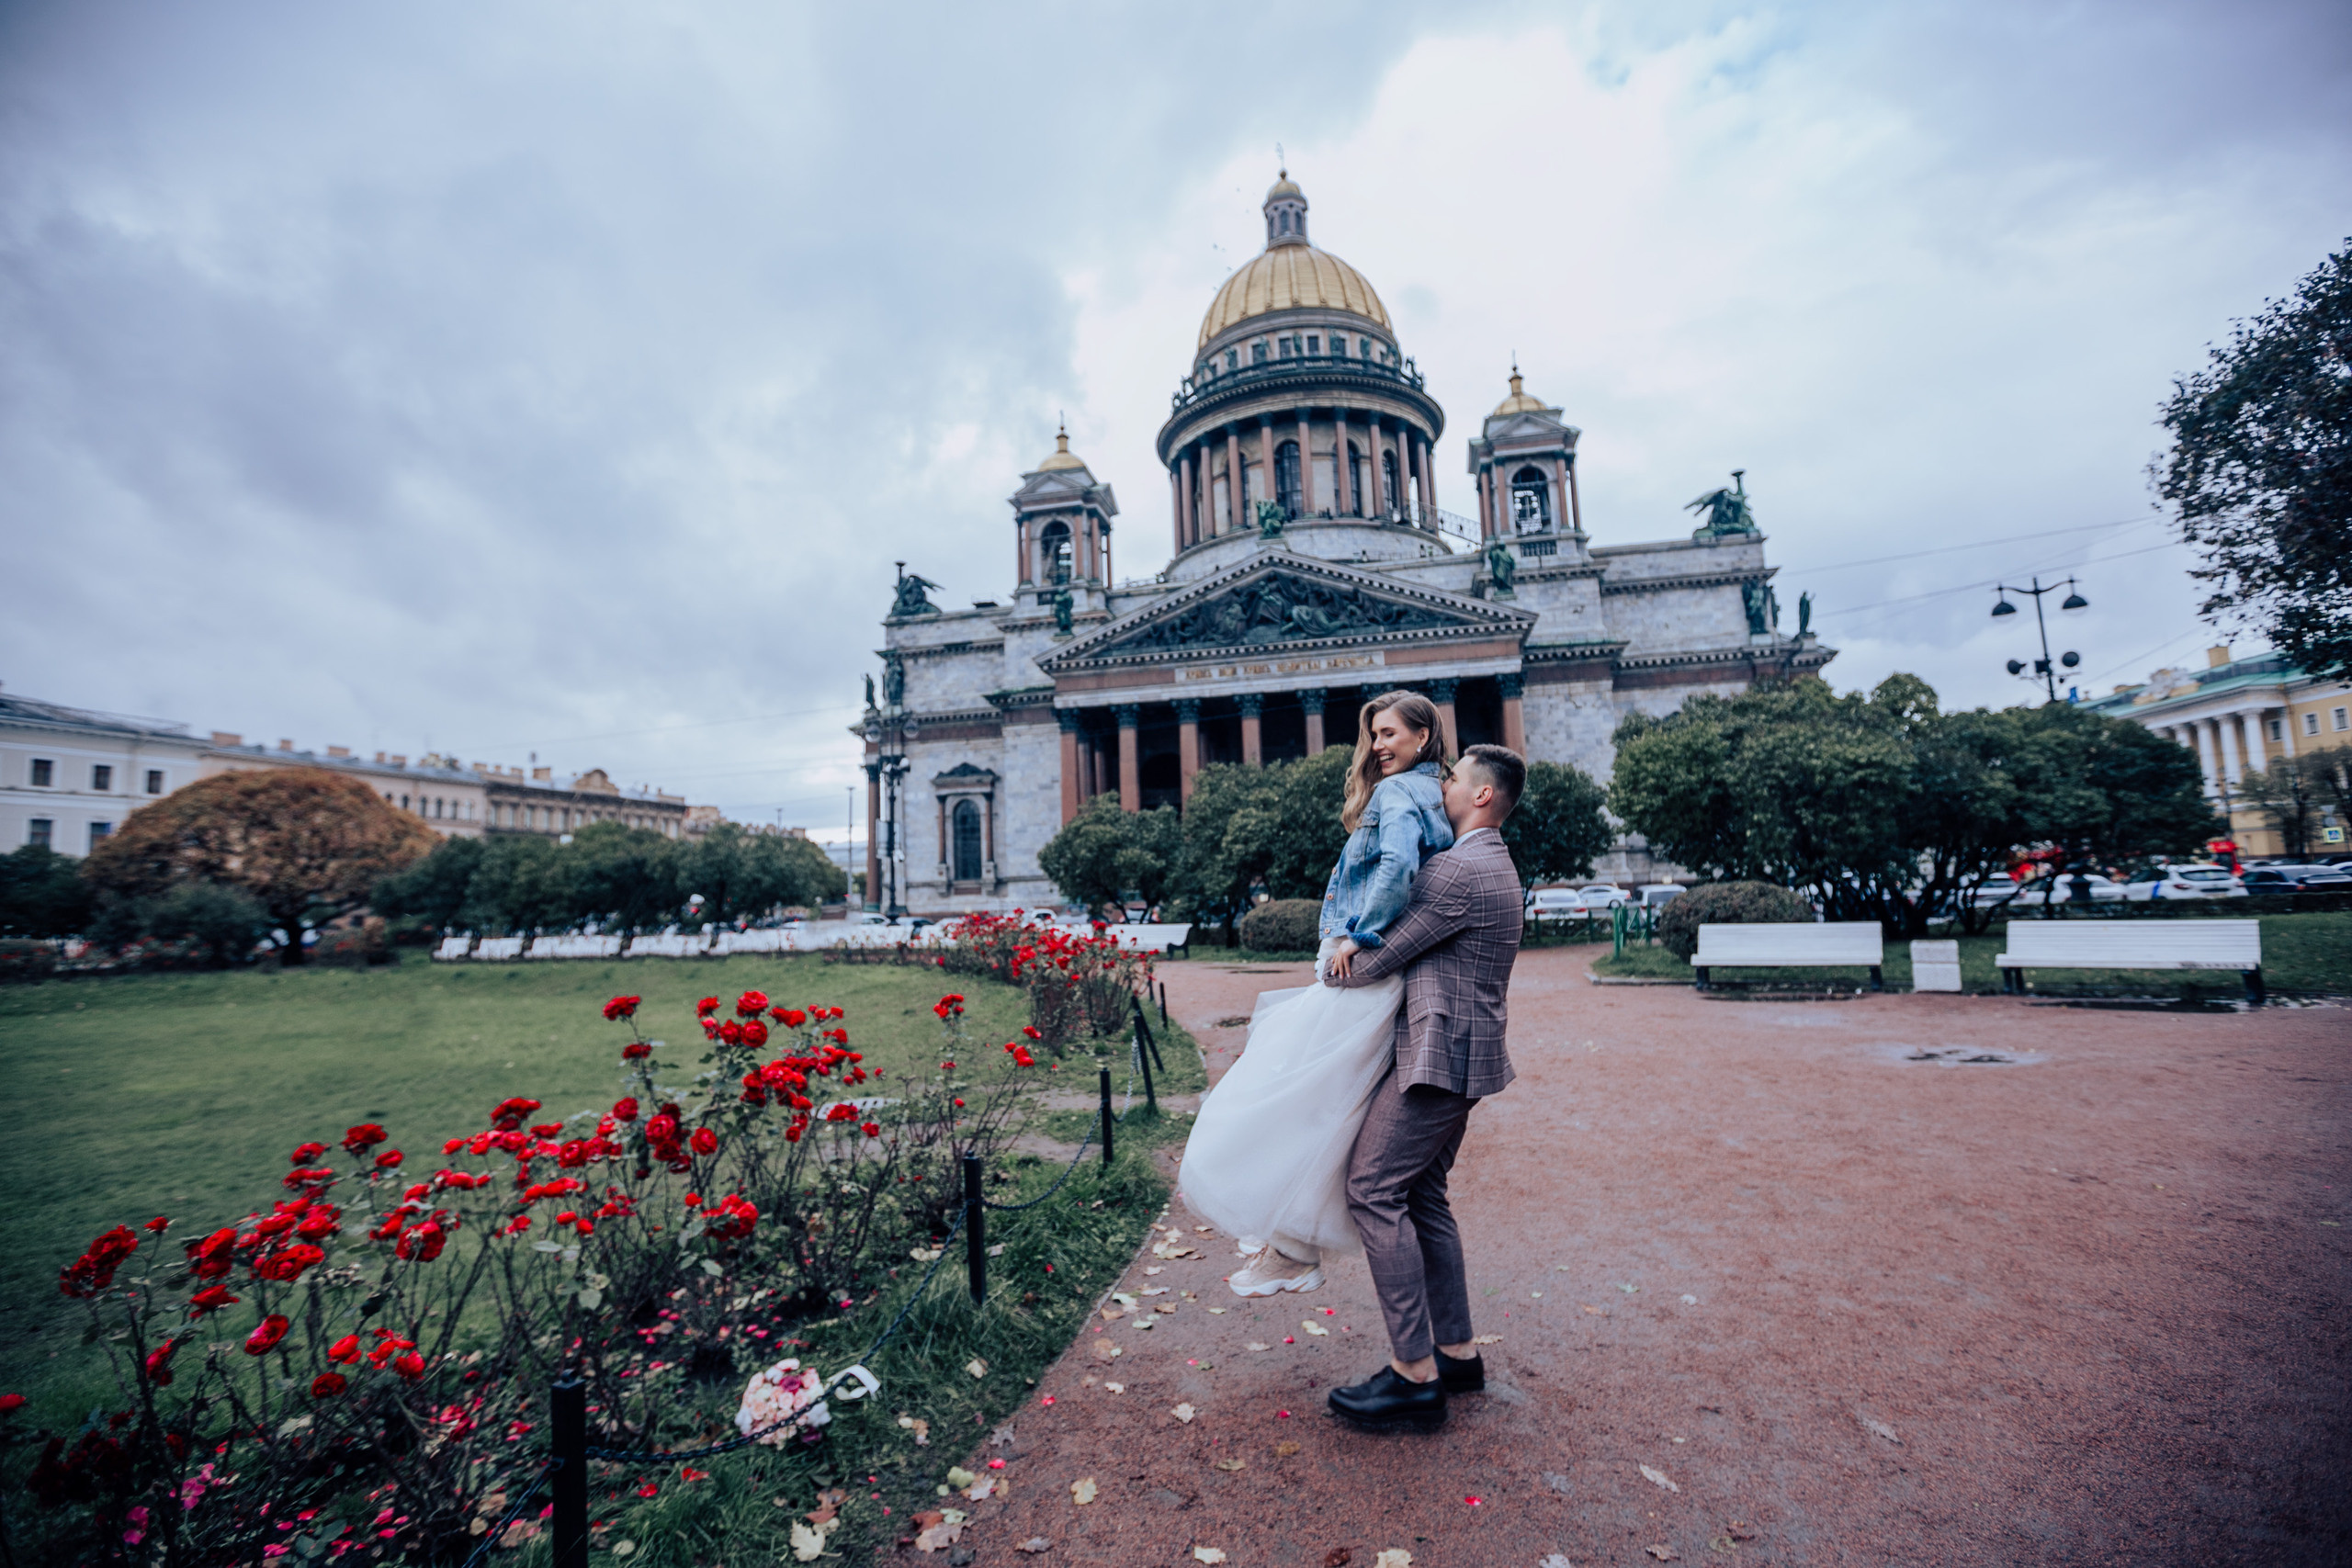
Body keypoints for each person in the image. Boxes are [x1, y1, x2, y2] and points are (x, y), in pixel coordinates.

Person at [1177, 691, 1456, 1298]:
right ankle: (1291, 1239)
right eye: (1374, 735)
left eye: (1389, 734)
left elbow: (1397, 866)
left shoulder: (1399, 794)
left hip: (1367, 964)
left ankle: (1292, 1244)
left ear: (1424, 736)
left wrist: (1361, 934)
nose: (1378, 745)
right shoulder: (1437, 793)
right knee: (1333, 1099)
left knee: (1297, 1091)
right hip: (1395, 972)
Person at [1322, 744, 1526, 1432]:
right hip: (1466, 1054)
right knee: (1424, 1196)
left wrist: (1334, 959)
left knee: (1373, 1190)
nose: (1440, 786)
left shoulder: (1455, 872)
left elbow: (1380, 958)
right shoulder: (1494, 863)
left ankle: (1413, 1374)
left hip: (1436, 1058)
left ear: (1483, 797)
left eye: (1453, 779)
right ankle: (1457, 1352)